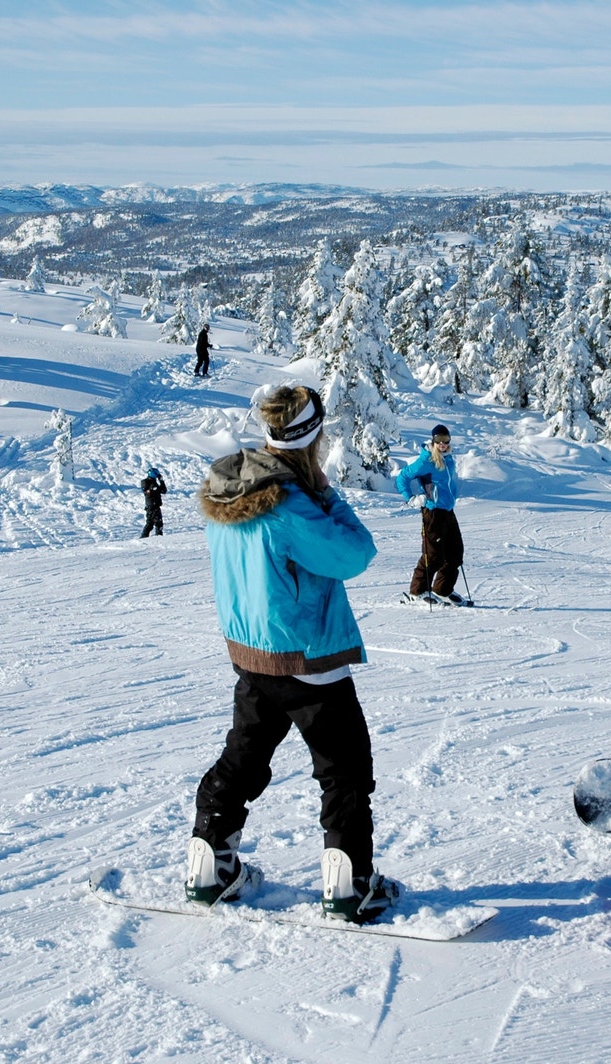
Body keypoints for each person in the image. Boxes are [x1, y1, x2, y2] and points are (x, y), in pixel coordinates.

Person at [186, 384, 400, 924]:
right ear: (313, 437)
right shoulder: (291, 504)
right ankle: (349, 888)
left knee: (244, 756)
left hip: (252, 654)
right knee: (345, 771)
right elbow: (354, 554)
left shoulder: (232, 488)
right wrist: (329, 496)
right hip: (307, 660)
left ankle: (209, 864)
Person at [395, 424, 467, 605]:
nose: (442, 444)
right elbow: (402, 477)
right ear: (433, 441)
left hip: (448, 511)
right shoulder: (426, 460)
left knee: (455, 553)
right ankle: (417, 592)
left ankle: (442, 590)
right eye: (439, 440)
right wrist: (411, 498)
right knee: (433, 555)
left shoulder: (448, 458)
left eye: (446, 440)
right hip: (433, 512)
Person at [140, 467, 167, 538]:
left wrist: (161, 481)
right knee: (154, 523)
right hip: (151, 506)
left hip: (156, 505)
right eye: (156, 474)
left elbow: (163, 490)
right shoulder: (145, 482)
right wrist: (153, 489)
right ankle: (156, 537)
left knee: (152, 523)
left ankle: (146, 537)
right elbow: (147, 491)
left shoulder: (155, 482)